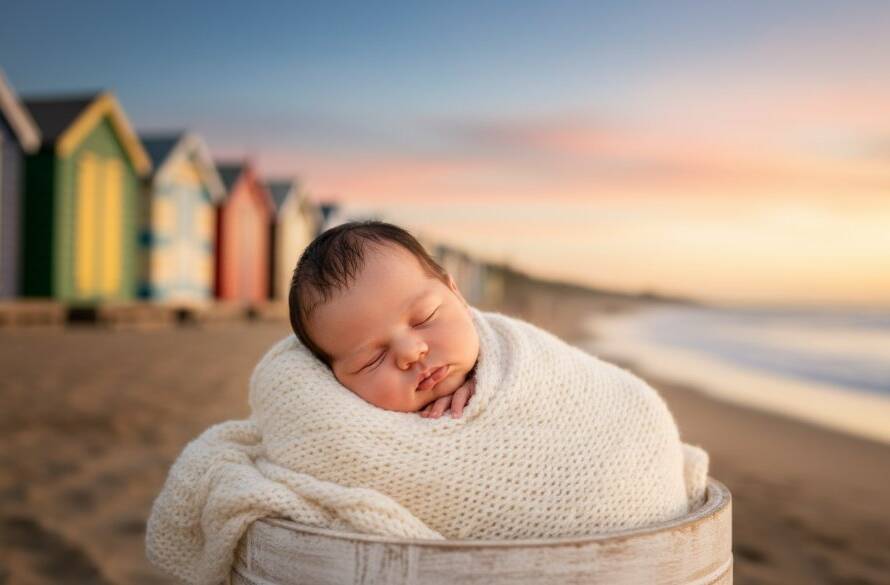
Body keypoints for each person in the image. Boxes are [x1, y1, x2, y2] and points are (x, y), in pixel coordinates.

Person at [289, 221, 481, 418]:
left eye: (425, 317)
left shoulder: (509, 360)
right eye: (372, 360)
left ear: (456, 294)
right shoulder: (335, 428)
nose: (410, 353)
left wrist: (483, 388)